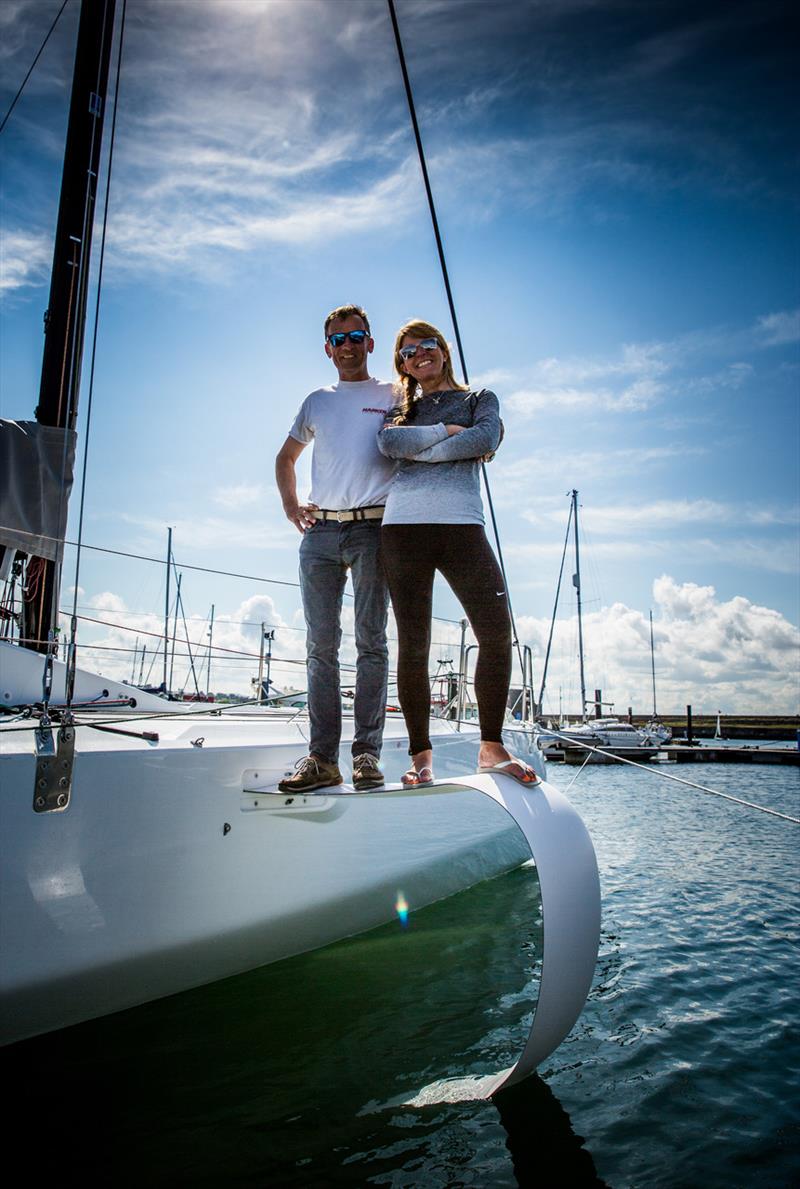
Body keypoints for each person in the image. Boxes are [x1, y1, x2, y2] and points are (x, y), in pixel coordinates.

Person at [377, 318, 537, 788]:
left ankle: (491, 748)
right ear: (402, 364)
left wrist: (421, 450)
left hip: (463, 525)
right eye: (408, 352)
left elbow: (485, 439)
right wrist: (449, 434)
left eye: (427, 345)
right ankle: (421, 757)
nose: (419, 355)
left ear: (443, 350)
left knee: (495, 633)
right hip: (403, 529)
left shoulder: (479, 399)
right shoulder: (400, 411)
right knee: (414, 643)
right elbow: (388, 443)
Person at [275, 305, 396, 792]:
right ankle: (322, 759)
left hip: (373, 529)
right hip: (320, 533)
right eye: (338, 339)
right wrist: (290, 506)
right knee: (319, 647)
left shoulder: (392, 393)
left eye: (356, 337)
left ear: (370, 342)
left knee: (372, 643)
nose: (347, 346)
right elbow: (285, 457)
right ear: (328, 348)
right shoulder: (316, 401)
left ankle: (366, 755)